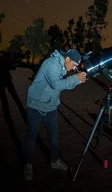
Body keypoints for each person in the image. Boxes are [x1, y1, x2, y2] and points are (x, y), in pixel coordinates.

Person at [22, 49, 88, 181]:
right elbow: (56, 84)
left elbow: (62, 85)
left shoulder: (63, 65)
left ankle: (55, 160)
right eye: (74, 65)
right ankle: (27, 165)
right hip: (36, 104)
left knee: (54, 136)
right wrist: (74, 78)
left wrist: (76, 81)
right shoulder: (51, 64)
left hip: (51, 106)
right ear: (67, 59)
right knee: (31, 136)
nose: (74, 68)